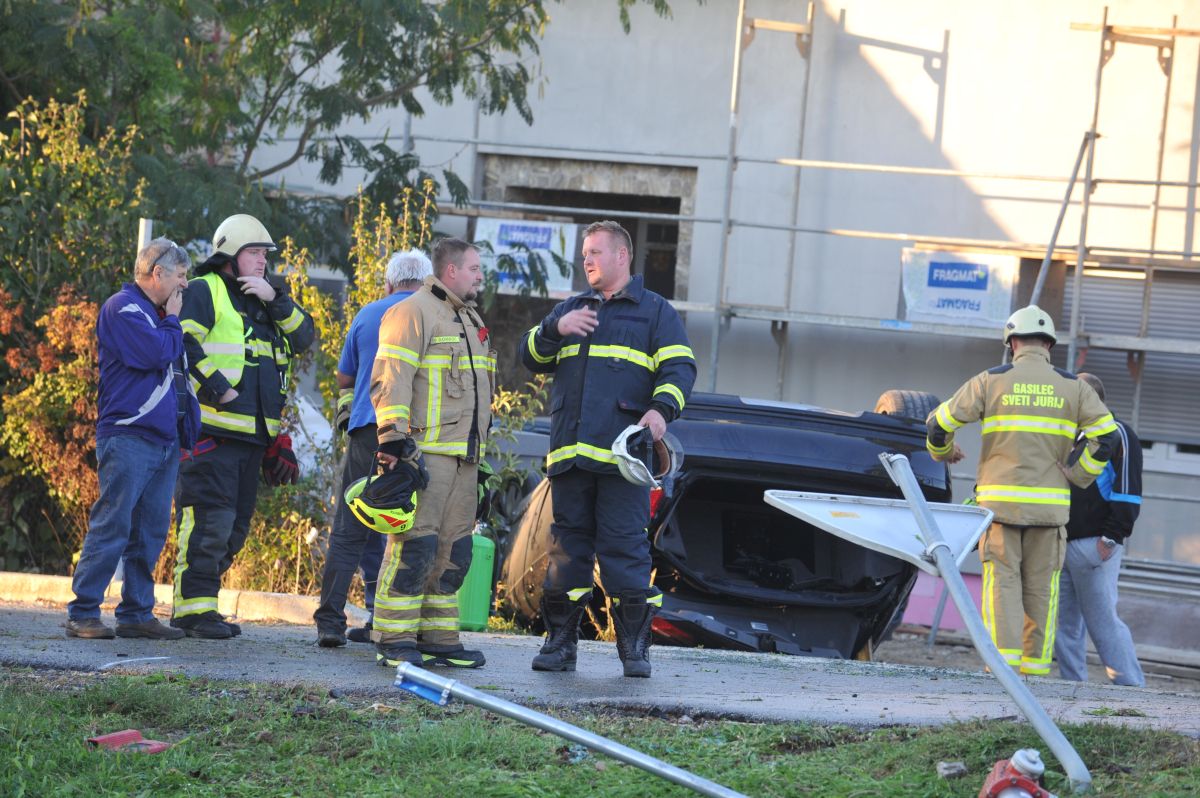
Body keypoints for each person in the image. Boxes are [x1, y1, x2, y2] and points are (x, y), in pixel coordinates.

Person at [519, 220, 696, 678]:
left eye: (595, 252)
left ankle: (634, 652)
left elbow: (679, 370)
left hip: (622, 461)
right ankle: (560, 646)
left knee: (625, 554)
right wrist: (555, 327)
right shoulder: (570, 310)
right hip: (571, 459)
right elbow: (529, 357)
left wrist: (660, 411)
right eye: (584, 255)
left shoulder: (655, 312)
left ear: (622, 256)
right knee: (565, 554)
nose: (587, 261)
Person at [925, 305, 1120, 677]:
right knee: (1042, 590)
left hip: (1000, 510)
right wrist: (1079, 475)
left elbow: (938, 424)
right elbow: (1107, 438)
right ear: (1049, 344)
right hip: (1049, 513)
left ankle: (1002, 671)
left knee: (1002, 586)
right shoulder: (1074, 387)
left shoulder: (989, 381)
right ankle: (1034, 672)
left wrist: (942, 452)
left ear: (1012, 342)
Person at [172, 214, 314, 639]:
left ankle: (204, 605)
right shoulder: (205, 289)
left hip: (253, 440)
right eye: (254, 252)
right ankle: (191, 611)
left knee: (235, 530)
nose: (262, 261)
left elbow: (304, 337)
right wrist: (218, 388)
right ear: (230, 255)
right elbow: (181, 342)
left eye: (265, 254)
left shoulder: (268, 301)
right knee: (208, 523)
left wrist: (276, 300)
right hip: (212, 434)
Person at [370, 237, 496, 668]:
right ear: (451, 271)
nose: (480, 276)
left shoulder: (470, 319)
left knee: (454, 553)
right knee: (415, 547)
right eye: (474, 268)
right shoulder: (412, 312)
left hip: (465, 459)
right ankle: (394, 637)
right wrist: (392, 439)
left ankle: (438, 637)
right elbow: (392, 376)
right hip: (424, 455)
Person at [66, 238, 200, 640]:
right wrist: (173, 321)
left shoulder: (156, 316)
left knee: (150, 533)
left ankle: (136, 614)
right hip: (128, 436)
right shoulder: (123, 308)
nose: (185, 285)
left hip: (163, 441)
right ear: (157, 273)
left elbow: (176, 373)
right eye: (181, 276)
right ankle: (82, 612)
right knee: (113, 524)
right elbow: (155, 354)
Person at [314, 249, 433, 647]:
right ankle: (388, 621)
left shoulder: (367, 314)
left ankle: (330, 622)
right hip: (417, 437)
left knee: (351, 526)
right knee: (409, 530)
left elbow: (345, 377)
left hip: (368, 431)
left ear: (388, 283)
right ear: (427, 282)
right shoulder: (434, 314)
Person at [1055, 373, 1146, 686]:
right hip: (1064, 543)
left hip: (1096, 544)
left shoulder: (1119, 433)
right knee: (1063, 624)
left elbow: (1128, 490)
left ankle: (1130, 687)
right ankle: (1072, 687)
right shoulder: (1077, 438)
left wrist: (1111, 537)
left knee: (1102, 622)